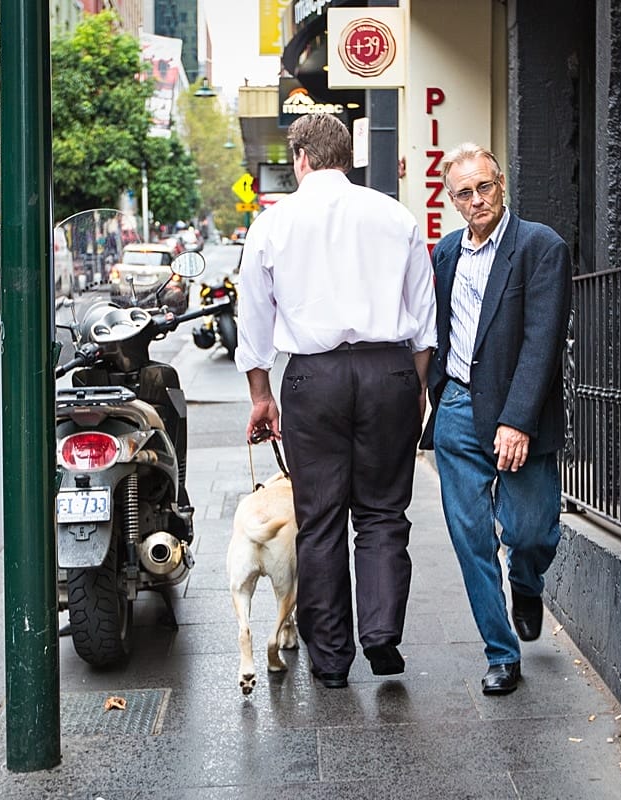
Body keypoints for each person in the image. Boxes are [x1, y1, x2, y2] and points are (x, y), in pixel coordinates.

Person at [235, 113, 437, 689]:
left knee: (320, 520)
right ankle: (381, 634)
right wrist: (413, 384)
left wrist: (260, 397)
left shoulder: (273, 225)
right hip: (388, 370)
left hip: (313, 379)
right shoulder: (395, 216)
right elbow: (423, 317)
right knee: (383, 512)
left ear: (300, 158)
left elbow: (253, 321)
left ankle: (330, 662)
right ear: (346, 157)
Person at [419, 142, 573, 696]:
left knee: (532, 530)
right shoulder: (444, 255)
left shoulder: (540, 247)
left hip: (517, 413)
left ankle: (526, 583)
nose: (477, 199)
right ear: (451, 199)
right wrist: (430, 391)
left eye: (485, 186)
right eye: (465, 192)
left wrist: (518, 420)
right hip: (458, 408)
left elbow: (542, 342)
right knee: (471, 537)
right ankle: (501, 651)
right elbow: (434, 329)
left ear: (501, 184)